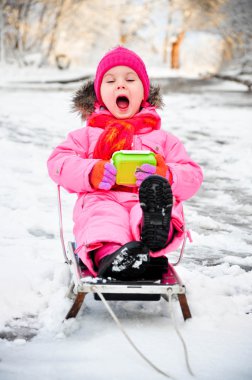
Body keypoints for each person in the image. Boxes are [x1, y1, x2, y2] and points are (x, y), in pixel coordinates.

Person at [47, 46, 203, 280]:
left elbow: (192, 176)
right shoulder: (87, 135)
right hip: (103, 198)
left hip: (145, 200)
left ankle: (154, 233)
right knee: (103, 217)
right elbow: (58, 163)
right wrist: (92, 172)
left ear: (144, 93)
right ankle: (113, 256)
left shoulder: (163, 139)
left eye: (130, 79)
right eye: (110, 81)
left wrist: (166, 175)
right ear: (99, 95)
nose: (120, 85)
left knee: (152, 212)